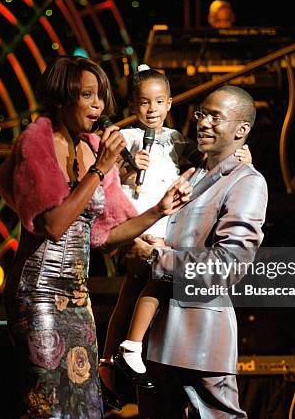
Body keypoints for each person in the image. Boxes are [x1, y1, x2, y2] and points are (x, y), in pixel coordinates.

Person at [0, 56, 194, 418]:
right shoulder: (39, 141)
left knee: (85, 404)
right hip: (38, 292)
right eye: (88, 94)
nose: (98, 104)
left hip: (77, 294)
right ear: (61, 97)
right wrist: (101, 169)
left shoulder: (91, 147)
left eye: (101, 95)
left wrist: (159, 210)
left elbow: (106, 235)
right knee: (50, 404)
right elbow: (53, 226)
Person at [101, 65, 251, 394]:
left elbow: (205, 161)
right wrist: (127, 169)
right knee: (149, 285)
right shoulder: (126, 139)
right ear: (132, 105)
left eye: (158, 102)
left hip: (164, 224)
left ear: (169, 104)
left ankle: (113, 360)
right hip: (138, 220)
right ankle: (128, 349)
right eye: (143, 103)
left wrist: (242, 157)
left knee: (137, 290)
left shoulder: (175, 140)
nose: (151, 109)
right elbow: (104, 180)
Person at [134, 85, 268, 418]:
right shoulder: (191, 176)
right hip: (159, 336)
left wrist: (156, 258)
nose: (203, 123)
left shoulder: (247, 182)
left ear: (241, 130)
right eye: (200, 114)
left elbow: (227, 266)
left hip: (201, 339)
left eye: (215, 117)